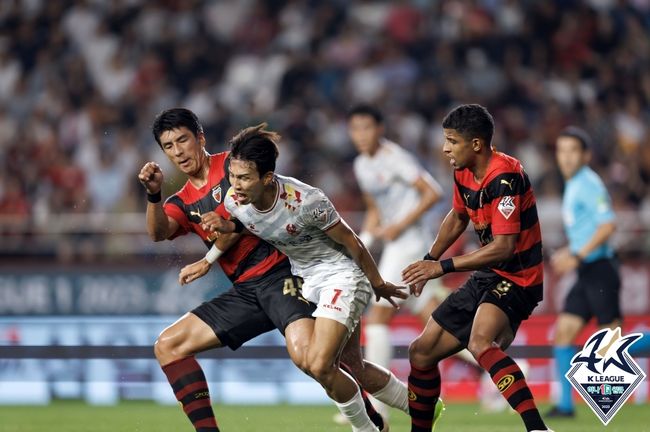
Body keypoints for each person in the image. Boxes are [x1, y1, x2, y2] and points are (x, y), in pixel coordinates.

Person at [193, 122, 444, 432]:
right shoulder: (235, 200)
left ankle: (368, 429)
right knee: (353, 367)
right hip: (306, 280)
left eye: (244, 178)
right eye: (232, 175)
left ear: (268, 178)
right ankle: (421, 406)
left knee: (319, 363)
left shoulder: (306, 201)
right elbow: (247, 224)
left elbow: (352, 241)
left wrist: (377, 284)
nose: (236, 184)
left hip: (342, 276)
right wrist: (215, 248)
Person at [138, 108, 318, 432]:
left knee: (316, 361)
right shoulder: (182, 201)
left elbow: (248, 217)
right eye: (168, 146)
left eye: (183, 140)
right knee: (168, 345)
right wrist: (153, 194)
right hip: (246, 292)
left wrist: (207, 260)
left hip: (284, 274)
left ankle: (381, 415)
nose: (178, 151)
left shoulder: (233, 167)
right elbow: (157, 232)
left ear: (200, 138)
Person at [402, 104, 552, 432]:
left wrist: (441, 267)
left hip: (519, 276)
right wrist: (430, 258)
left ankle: (538, 429)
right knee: (421, 353)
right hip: (490, 273)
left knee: (480, 342)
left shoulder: (505, 177)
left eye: (451, 141)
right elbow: (458, 217)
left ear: (476, 144)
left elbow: (503, 247)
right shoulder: (463, 171)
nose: (444, 148)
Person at [347, 104, 447, 419]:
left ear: (379, 129)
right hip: (394, 245)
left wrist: (399, 225)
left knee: (377, 319)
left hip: (412, 242)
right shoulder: (362, 165)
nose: (360, 135)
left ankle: (378, 407)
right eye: (355, 128)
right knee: (439, 324)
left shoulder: (395, 158)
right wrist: (363, 241)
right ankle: (501, 363)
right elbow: (375, 210)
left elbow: (433, 192)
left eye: (366, 127)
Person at [547, 126, 621, 418]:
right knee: (564, 332)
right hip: (586, 269)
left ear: (586, 155)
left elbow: (608, 224)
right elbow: (589, 228)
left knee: (612, 342)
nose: (566, 157)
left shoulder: (588, 183)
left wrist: (576, 254)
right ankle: (565, 406)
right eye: (561, 150)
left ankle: (574, 405)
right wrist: (570, 251)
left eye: (572, 151)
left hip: (600, 269)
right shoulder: (575, 184)